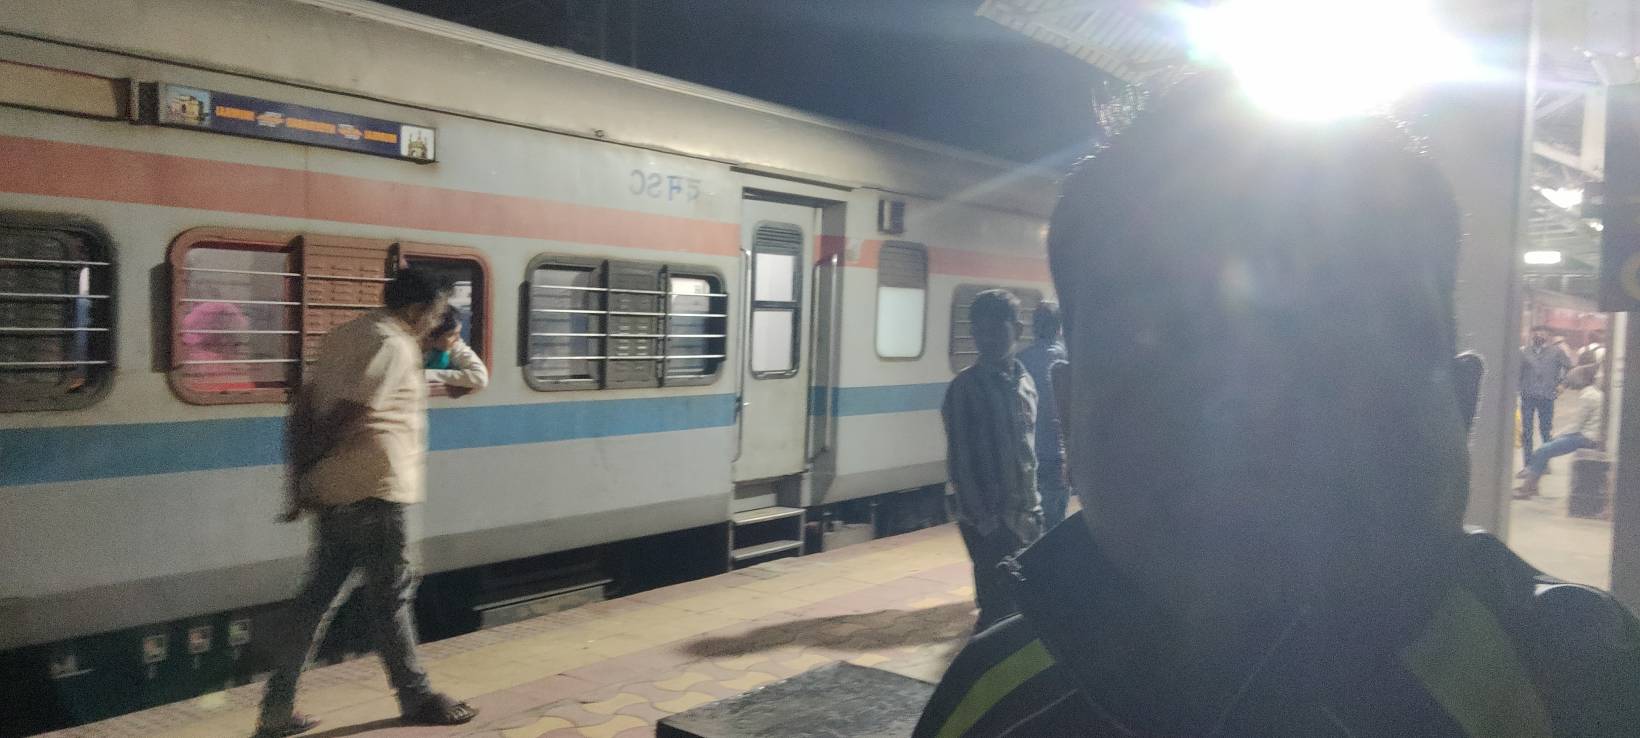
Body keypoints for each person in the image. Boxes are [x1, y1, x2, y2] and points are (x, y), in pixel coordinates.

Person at [914, 77, 1639, 737]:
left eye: (1349, 340)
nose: (1252, 415)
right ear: (1069, 421)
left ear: (1462, 403)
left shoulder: (1586, 681)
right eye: (1162, 348)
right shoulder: (984, 708)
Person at [258, 269, 478, 738]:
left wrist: (301, 479)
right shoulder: (392, 344)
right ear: (418, 309)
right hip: (377, 492)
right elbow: (349, 413)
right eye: (437, 311)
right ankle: (416, 695)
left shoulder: (343, 336)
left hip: (334, 491)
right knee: (391, 600)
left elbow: (302, 411)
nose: (437, 321)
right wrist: (308, 469)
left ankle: (275, 711)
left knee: (315, 603)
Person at [942, 289, 1043, 632]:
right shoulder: (965, 389)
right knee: (996, 616)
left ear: (1017, 329)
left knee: (1024, 612)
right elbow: (960, 463)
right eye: (980, 332)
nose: (988, 340)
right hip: (992, 526)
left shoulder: (1026, 383)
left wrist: (1035, 509)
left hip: (1027, 517)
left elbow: (1027, 452)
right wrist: (988, 524)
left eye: (997, 330)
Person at [1015, 301, 1071, 527]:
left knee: (1032, 522)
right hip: (1058, 456)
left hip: (1028, 456)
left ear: (1034, 327)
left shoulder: (1020, 362)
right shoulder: (1068, 360)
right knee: (1056, 522)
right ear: (1059, 328)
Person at [1515, 364, 1603, 499]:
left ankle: (1527, 489)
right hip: (1589, 435)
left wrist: (1557, 436)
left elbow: (1577, 427)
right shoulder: (1595, 393)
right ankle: (1531, 487)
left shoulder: (1587, 397)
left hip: (1585, 438)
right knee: (1544, 450)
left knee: (1543, 451)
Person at [1521, 324, 1573, 466]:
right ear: (1532, 335)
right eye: (1536, 332)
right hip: (1528, 395)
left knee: (1546, 431)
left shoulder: (1556, 352)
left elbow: (1570, 368)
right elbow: (1517, 371)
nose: (1539, 335)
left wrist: (1563, 384)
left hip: (1547, 395)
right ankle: (1528, 464)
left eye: (1542, 333)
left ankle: (1544, 463)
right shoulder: (1524, 352)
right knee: (1527, 431)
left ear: (1548, 336)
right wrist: (1519, 387)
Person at [423, 307, 488, 393]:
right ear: (430, 336)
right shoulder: (408, 349)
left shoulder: (455, 345)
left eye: (458, 333)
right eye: (451, 335)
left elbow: (479, 378)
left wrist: (426, 374)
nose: (457, 339)